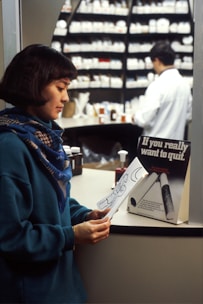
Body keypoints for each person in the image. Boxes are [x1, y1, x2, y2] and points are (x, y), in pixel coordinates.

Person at [0, 44, 111, 304]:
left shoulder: (46, 137)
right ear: (34, 84)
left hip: (62, 286)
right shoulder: (11, 148)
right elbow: (11, 237)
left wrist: (83, 215)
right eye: (60, 88)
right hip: (30, 292)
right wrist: (70, 236)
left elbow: (55, 202)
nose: (66, 98)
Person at [132, 40, 192, 140]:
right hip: (176, 148)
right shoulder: (185, 85)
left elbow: (145, 119)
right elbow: (189, 115)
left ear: (157, 61)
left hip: (155, 148)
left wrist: (135, 117)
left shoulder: (157, 86)